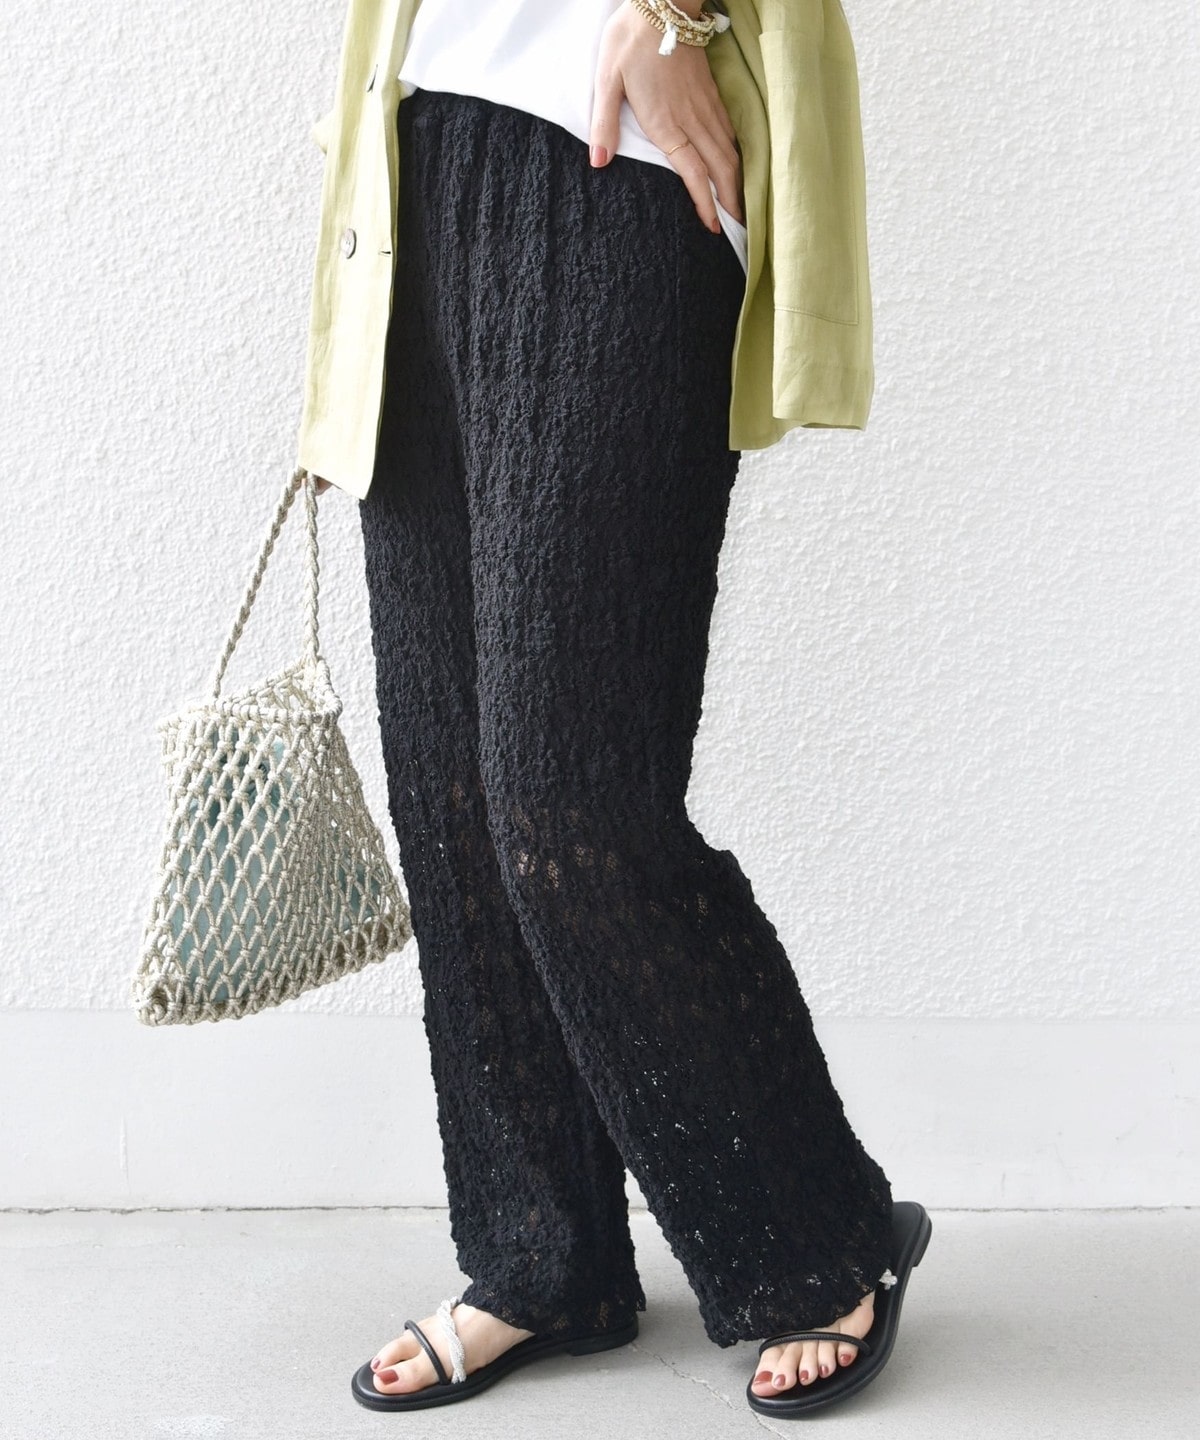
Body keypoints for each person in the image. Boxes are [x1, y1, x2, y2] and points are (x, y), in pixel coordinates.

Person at [297, 0, 931, 1419]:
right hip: (416, 158)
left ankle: (821, 1234)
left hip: (625, 160)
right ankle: (546, 1256)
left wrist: (675, 13)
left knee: (568, 798)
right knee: (455, 796)